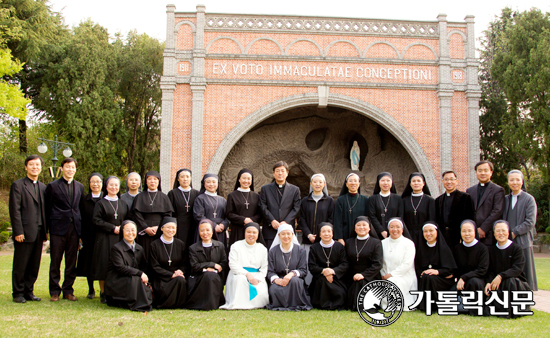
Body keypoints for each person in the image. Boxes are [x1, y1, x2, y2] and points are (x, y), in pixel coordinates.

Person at [45, 157, 85, 302]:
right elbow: (47, 208)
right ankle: (54, 290)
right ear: (62, 168)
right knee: (55, 261)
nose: (70, 169)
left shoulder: (80, 187)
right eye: (67, 167)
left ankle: (68, 289)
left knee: (71, 262)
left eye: (73, 167)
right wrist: (47, 230)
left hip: (74, 229)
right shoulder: (53, 186)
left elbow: (80, 209)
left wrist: (81, 232)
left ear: (75, 169)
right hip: (57, 229)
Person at [9, 155, 47, 303]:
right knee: (21, 263)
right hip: (24, 232)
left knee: (34, 264)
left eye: (37, 165)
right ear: (26, 167)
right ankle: (18, 293)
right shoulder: (18, 185)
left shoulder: (43, 187)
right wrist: (18, 231)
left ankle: (29, 291)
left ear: (41, 167)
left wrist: (45, 231)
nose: (34, 167)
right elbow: (15, 210)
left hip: (39, 231)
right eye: (31, 165)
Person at [91, 176, 129, 304]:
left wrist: (122, 229)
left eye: (116, 185)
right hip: (104, 238)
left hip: (120, 238)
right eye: (111, 185)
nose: (114, 187)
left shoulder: (123, 203)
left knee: (117, 264)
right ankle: (103, 292)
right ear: (106, 187)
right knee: (104, 264)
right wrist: (112, 228)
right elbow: (96, 220)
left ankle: (115, 290)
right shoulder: (101, 203)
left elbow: (127, 219)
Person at [485, 220, 531, 318]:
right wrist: (489, 282)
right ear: (493, 233)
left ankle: (510, 312)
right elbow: (490, 270)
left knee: (510, 281)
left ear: (508, 232)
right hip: (498, 283)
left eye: (503, 230)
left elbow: (517, 269)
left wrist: (501, 276)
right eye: (497, 231)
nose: (501, 233)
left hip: (516, 283)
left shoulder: (517, 249)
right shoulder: (491, 250)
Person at [104, 220, 152, 312]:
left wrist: (144, 277)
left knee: (140, 281)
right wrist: (140, 273)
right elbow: (120, 267)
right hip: (118, 279)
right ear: (122, 232)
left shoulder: (139, 248)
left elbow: (144, 266)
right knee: (136, 279)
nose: (130, 233)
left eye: (133, 230)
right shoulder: (116, 248)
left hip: (134, 278)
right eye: (127, 230)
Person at [220, 222, 269, 310]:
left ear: (258, 234)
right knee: (240, 281)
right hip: (239, 274)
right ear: (244, 233)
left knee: (260, 289)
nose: (251, 235)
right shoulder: (236, 246)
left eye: (254, 232)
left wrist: (258, 279)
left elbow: (264, 268)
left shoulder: (262, 248)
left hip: (256, 276)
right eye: (248, 232)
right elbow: (232, 264)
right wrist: (247, 274)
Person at [503, 170, 538, 291]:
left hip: (522, 240)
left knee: (525, 268)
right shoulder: (505, 199)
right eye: (512, 180)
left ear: (522, 181)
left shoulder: (529, 199)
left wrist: (514, 232)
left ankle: (527, 291)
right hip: (507, 241)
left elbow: (530, 222)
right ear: (508, 182)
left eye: (517, 179)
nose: (515, 182)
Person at [266, 223, 312, 311]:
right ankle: (281, 305)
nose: (286, 236)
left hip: (295, 279)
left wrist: (291, 274)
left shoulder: (300, 250)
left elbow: (303, 270)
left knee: (294, 282)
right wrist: (277, 280)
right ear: (279, 235)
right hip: (280, 279)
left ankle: (294, 304)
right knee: (274, 288)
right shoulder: (273, 251)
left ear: (292, 235)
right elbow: (270, 271)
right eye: (283, 234)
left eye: (288, 233)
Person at [415, 222, 457, 312]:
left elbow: (450, 270)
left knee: (430, 277)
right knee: (427, 277)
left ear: (437, 232)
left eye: (431, 231)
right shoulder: (420, 248)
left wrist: (437, 271)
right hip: (426, 278)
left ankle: (434, 306)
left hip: (442, 280)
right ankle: (425, 306)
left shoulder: (444, 248)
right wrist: (421, 273)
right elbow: (417, 266)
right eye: (425, 231)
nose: (428, 234)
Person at [131, 171, 173, 260]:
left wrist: (159, 227)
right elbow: (136, 214)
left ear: (159, 181)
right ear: (146, 182)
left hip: (159, 231)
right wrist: (145, 228)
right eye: (149, 179)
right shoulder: (140, 196)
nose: (152, 181)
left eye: (155, 179)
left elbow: (168, 215)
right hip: (144, 232)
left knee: (158, 254)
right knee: (145, 255)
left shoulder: (164, 197)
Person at [186, 219, 228, 310]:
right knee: (208, 275)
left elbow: (223, 263)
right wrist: (212, 265)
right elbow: (195, 266)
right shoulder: (193, 248)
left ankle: (213, 303)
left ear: (212, 231)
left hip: (216, 276)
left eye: (208, 230)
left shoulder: (220, 245)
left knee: (211, 276)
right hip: (199, 278)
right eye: (202, 230)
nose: (205, 233)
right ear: (198, 232)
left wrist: (215, 270)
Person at [259, 161, 301, 249]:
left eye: (283, 171)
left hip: (287, 231)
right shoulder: (265, 189)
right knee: (269, 256)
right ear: (273, 173)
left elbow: (296, 208)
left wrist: (286, 222)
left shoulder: (295, 190)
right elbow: (262, 206)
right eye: (277, 171)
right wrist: (272, 220)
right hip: (270, 230)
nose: (280, 173)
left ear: (287, 173)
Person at [344, 216, 383, 311]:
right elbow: (345, 261)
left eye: (364, 225)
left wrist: (363, 275)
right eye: (358, 225)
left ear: (369, 228)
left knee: (360, 283)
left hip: (370, 275)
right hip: (351, 275)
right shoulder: (349, 242)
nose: (361, 227)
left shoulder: (376, 243)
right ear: (354, 228)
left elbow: (378, 264)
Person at [452, 220, 489, 315]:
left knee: (473, 282)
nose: (467, 234)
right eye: (464, 231)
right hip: (461, 281)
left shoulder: (483, 248)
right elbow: (455, 269)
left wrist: (464, 277)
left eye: (470, 230)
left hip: (477, 280)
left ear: (475, 232)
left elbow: (482, 270)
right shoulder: (457, 249)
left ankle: (474, 310)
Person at [149, 217, 187, 309]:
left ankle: (178, 304)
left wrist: (180, 271)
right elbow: (154, 266)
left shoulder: (180, 244)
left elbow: (184, 263)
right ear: (161, 228)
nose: (171, 230)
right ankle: (164, 304)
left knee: (181, 280)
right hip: (160, 277)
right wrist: (171, 275)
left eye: (173, 228)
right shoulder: (154, 245)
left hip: (176, 275)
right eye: (168, 227)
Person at [308, 223, 348, 310]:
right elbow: (312, 266)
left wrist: (332, 271)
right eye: (323, 231)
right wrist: (324, 271)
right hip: (320, 277)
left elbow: (344, 264)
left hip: (337, 277)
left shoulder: (339, 247)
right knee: (323, 283)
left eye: (329, 231)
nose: (326, 234)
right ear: (319, 234)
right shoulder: (314, 248)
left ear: (333, 233)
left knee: (340, 292)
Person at [380, 218, 417, 311]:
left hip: (404, 275)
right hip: (385, 275)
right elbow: (380, 263)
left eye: (397, 227)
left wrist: (392, 275)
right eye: (392, 227)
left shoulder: (408, 243)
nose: (395, 229)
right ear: (388, 229)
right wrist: (384, 275)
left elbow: (407, 264)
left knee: (393, 283)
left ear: (402, 229)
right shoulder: (382, 243)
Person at [77, 173, 103, 299]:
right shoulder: (84, 199)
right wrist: (80, 235)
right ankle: (91, 289)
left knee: (101, 262)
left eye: (98, 181)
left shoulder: (106, 199)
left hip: (102, 236)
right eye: (93, 182)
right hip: (88, 236)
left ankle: (103, 290)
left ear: (102, 184)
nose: (95, 184)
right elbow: (80, 217)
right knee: (89, 262)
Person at [466, 161, 505, 246]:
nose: (482, 173)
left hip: (489, 235)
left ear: (491, 172)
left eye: (485, 170)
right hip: (472, 235)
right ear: (476, 172)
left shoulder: (498, 190)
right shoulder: (470, 191)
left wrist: (483, 229)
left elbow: (497, 211)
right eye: (480, 170)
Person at [435, 170, 476, 248]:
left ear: (457, 181)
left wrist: (463, 235)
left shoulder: (465, 198)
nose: (449, 182)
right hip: (443, 238)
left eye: (451, 179)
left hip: (459, 237)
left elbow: (470, 218)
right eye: (446, 179)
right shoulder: (438, 200)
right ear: (443, 182)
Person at [226, 169, 263, 248]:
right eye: (244, 178)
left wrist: (251, 220)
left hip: (252, 230)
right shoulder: (232, 195)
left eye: (249, 179)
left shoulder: (256, 196)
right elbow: (229, 214)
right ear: (239, 179)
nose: (246, 181)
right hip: (237, 230)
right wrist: (243, 220)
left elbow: (260, 213)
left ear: (251, 180)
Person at [193, 173, 230, 247]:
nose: (211, 184)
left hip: (220, 231)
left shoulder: (222, 200)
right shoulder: (200, 198)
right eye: (208, 182)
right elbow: (198, 215)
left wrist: (223, 225)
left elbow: (228, 215)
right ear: (204, 184)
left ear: (217, 184)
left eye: (214, 182)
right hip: (205, 230)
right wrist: (213, 226)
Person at [401, 173, 436, 247]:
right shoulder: (404, 200)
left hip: (424, 235)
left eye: (418, 181)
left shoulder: (430, 200)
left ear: (423, 183)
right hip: (407, 235)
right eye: (413, 181)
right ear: (410, 184)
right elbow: (401, 218)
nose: (416, 183)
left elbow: (432, 219)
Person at [333, 173, 368, 246]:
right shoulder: (340, 200)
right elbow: (337, 220)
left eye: (355, 181)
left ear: (359, 183)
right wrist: (339, 238)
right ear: (346, 184)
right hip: (345, 236)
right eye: (350, 181)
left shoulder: (365, 200)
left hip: (361, 234)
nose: (353, 183)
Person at [167, 168, 199, 247]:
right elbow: (169, 212)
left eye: (187, 177)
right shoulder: (172, 193)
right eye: (182, 177)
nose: (185, 179)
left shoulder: (196, 193)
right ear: (178, 179)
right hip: (178, 225)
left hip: (193, 225)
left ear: (190, 178)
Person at [369, 172, 404, 240]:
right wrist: (381, 230)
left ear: (392, 183)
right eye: (382, 180)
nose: (385, 183)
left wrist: (393, 229)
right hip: (377, 233)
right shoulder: (372, 199)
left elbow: (400, 216)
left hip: (395, 232)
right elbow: (371, 216)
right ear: (378, 183)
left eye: (388, 180)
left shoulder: (398, 198)